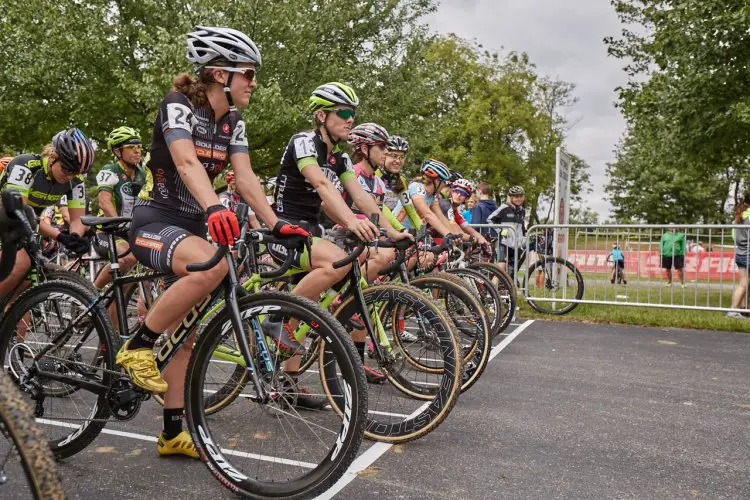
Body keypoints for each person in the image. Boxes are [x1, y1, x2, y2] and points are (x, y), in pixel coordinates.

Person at [117, 26, 302, 458]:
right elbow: (184, 160)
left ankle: (172, 433)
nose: (253, 83)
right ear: (220, 73)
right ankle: (137, 346)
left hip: (193, 223)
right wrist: (215, 208)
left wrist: (276, 223)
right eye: (248, 74)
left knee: (188, 334)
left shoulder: (233, 122)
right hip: (154, 218)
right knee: (211, 266)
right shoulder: (177, 106)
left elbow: (248, 178)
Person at [269, 82, 410, 390]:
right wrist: (352, 223)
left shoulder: (341, 159)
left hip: (313, 233)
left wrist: (391, 231)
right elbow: (321, 186)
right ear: (321, 116)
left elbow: (362, 198)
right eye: (344, 112)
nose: (350, 119)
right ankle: (277, 320)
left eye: (353, 114)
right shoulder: (303, 142)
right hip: (285, 229)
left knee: (316, 301)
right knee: (337, 264)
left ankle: (288, 382)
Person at [0, 129, 94, 300]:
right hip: (9, 214)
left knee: (26, 282)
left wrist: (74, 236)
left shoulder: (75, 181)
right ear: (52, 157)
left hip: (27, 221)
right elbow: (19, 213)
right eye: (66, 169)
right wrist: (59, 236)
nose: (70, 176)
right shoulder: (27, 165)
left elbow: (76, 219)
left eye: (76, 172)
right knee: (21, 264)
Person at [92, 127, 148, 292]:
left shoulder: (143, 174)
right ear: (117, 151)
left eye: (139, 147)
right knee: (127, 258)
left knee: (126, 288)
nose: (137, 151)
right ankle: (92, 291)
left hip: (131, 231)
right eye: (131, 147)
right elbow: (104, 202)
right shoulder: (110, 170)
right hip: (108, 231)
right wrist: (119, 223)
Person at [488, 185, 527, 274]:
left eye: (521, 196)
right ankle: (492, 287)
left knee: (511, 270)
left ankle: (506, 287)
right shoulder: (504, 208)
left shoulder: (522, 210)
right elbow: (490, 219)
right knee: (500, 269)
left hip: (516, 244)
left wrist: (525, 234)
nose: (519, 199)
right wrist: (500, 231)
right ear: (511, 197)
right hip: (504, 243)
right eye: (516, 196)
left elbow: (522, 226)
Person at [728, 194, 750, 319]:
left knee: (743, 283)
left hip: (740, 253)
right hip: (748, 253)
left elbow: (733, 237)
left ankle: (739, 309)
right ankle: (733, 310)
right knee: (744, 284)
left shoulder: (738, 217)